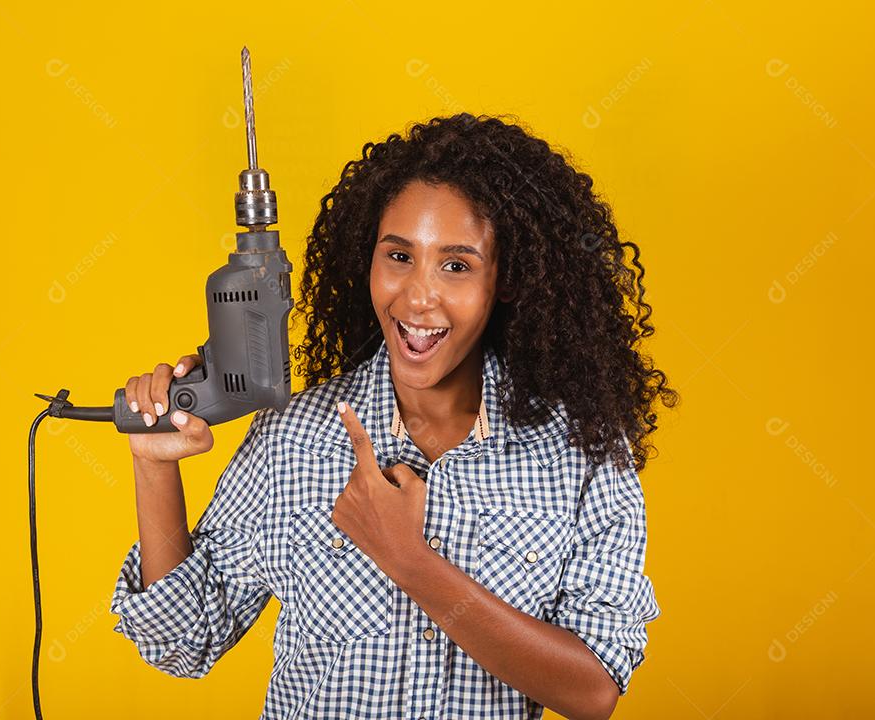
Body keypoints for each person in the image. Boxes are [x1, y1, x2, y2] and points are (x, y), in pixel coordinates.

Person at [110, 113, 678, 720]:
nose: (416, 297)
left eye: (456, 265)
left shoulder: (580, 452)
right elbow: (181, 642)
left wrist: (409, 560)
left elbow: (593, 692)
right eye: (399, 256)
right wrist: (153, 467)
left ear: (504, 281)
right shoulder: (293, 440)